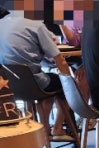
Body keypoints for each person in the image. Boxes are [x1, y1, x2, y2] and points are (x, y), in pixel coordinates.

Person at [0, 7, 75, 140]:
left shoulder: (3, 24)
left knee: (48, 87)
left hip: (8, 86)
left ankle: (42, 130)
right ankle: (56, 129)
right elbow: (59, 60)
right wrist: (69, 81)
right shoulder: (36, 26)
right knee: (66, 85)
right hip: (33, 83)